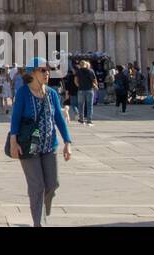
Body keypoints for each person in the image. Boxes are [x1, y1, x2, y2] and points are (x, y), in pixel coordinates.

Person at [9, 57, 72, 226]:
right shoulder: (23, 92)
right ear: (33, 73)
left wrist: (67, 142)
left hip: (49, 145)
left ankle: (43, 209)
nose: (47, 73)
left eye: (48, 70)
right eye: (43, 70)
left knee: (52, 184)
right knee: (37, 187)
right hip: (29, 146)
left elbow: (59, 118)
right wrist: (13, 142)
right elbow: (15, 119)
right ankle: (39, 222)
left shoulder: (51, 94)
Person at [72, 60, 94, 125]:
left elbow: (75, 80)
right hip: (89, 89)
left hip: (81, 90)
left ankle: (81, 119)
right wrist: (95, 86)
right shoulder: (90, 71)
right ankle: (89, 120)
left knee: (81, 105)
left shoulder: (78, 71)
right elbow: (94, 80)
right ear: (86, 64)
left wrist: (78, 85)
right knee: (89, 105)